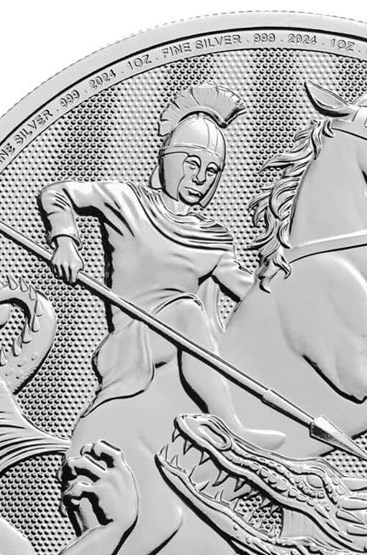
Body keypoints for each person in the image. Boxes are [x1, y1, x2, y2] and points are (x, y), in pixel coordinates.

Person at [38, 83, 283, 450]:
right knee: (186, 310)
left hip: (184, 340)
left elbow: (250, 294)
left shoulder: (213, 238)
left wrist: (295, 291)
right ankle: (230, 426)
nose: (200, 179)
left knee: (192, 316)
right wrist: (65, 242)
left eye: (212, 170)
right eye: (192, 164)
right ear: (168, 160)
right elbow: (56, 193)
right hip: (132, 340)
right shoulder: (127, 201)